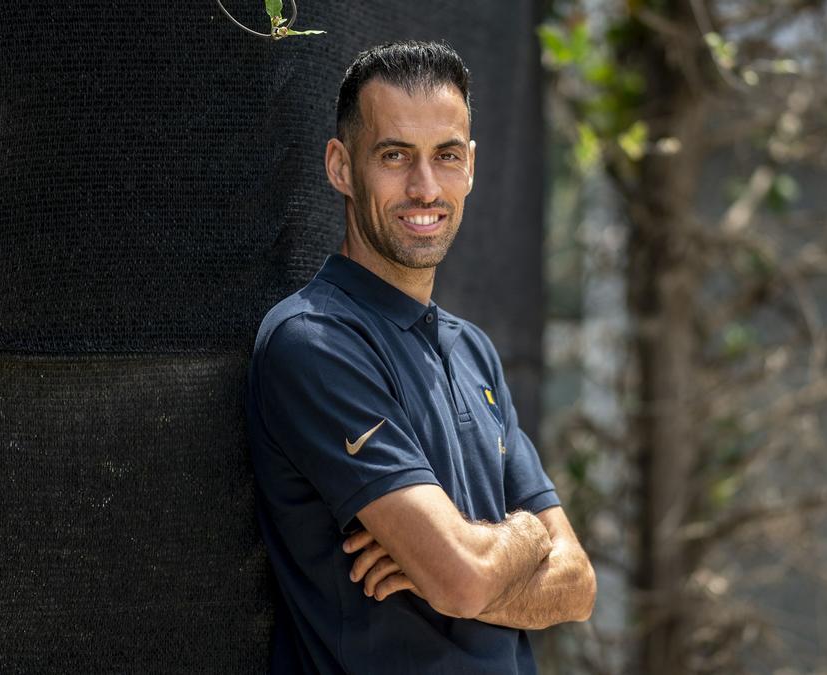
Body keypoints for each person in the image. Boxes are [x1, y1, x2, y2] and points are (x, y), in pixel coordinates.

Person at [245, 41, 596, 674]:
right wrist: (526, 537)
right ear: (341, 166)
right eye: (394, 155)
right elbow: (462, 581)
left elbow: (578, 586)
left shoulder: (472, 350)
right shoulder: (314, 341)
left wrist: (469, 561)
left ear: (471, 168)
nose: (424, 187)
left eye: (446, 156)